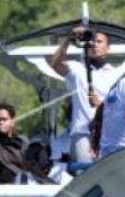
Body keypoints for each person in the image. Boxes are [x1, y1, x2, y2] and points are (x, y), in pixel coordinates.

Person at [49, 25, 118, 164]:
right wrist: (69, 39)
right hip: (82, 134)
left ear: (108, 48)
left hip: (107, 135)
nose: (94, 45)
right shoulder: (77, 68)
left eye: (99, 41)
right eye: (91, 41)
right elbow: (55, 64)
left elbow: (120, 108)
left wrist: (101, 106)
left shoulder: (116, 74)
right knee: (86, 174)